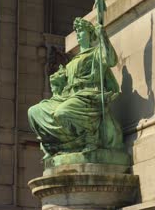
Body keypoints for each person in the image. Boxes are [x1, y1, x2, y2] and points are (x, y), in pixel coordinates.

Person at [28, 17, 124, 159]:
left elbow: (111, 60)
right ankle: (57, 145)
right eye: (77, 32)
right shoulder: (72, 61)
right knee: (34, 112)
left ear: (90, 34)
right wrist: (58, 81)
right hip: (68, 96)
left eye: (81, 31)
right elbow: (62, 87)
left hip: (87, 94)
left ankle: (90, 138)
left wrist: (103, 35)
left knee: (62, 112)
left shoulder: (95, 53)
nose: (78, 35)